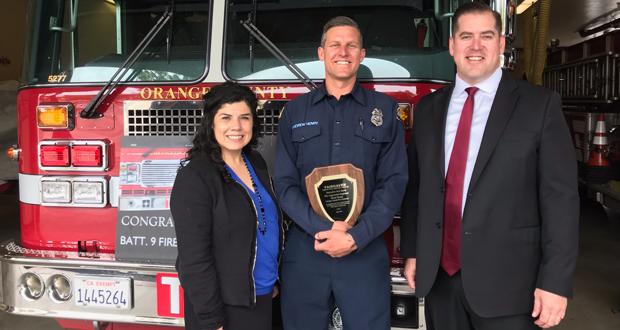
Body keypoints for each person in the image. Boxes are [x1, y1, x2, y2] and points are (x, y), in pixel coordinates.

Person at [400, 2, 579, 330]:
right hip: (440, 279)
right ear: (452, 46)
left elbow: (561, 200)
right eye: (466, 36)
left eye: (486, 35)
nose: (475, 45)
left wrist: (555, 281)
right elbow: (418, 187)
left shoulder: (540, 106)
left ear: (500, 44)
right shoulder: (428, 109)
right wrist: (412, 250)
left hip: (509, 285)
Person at [273, 16, 408, 330]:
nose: (343, 51)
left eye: (351, 45)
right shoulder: (295, 112)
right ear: (321, 53)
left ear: (362, 55)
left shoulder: (385, 111)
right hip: (307, 250)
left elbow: (394, 182)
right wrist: (324, 230)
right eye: (335, 44)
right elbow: (284, 183)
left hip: (365, 248)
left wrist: (355, 236)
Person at [170, 82, 281, 330]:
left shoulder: (256, 162)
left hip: (261, 297)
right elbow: (193, 259)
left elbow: (264, 223)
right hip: (224, 309)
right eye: (226, 117)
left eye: (245, 117)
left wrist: (272, 278)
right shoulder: (196, 177)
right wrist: (212, 319)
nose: (236, 127)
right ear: (211, 123)